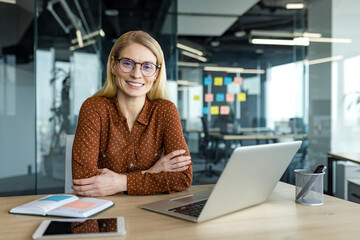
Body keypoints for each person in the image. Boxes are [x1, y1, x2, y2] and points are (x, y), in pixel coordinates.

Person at [71, 30, 192, 196]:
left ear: (156, 73)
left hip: (150, 211)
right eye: (127, 63)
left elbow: (183, 178)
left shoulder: (165, 110)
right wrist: (152, 172)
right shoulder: (94, 108)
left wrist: (121, 182)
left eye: (147, 66)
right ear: (113, 65)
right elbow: (84, 181)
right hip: (105, 210)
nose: (136, 74)